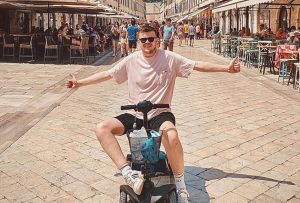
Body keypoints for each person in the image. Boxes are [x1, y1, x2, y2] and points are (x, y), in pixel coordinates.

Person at [65, 25, 240, 203]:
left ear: (157, 39)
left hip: (160, 112)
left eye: (151, 39)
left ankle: (181, 186)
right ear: (138, 41)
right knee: (102, 129)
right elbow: (108, 74)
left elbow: (197, 65)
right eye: (143, 40)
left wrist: (226, 68)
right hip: (135, 113)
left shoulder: (169, 58)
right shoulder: (131, 59)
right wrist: (79, 82)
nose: (147, 43)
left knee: (171, 136)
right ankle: (129, 174)